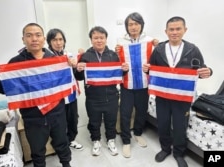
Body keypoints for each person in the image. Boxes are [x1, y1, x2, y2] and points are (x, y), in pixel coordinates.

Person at [0, 23, 72, 167]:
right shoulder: (16, 63)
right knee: (37, 151)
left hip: (57, 112)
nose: (34, 39)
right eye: (29, 35)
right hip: (32, 116)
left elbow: (67, 82)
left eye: (38, 35)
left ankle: (66, 164)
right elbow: (7, 89)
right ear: (23, 39)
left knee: (62, 143)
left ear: (43, 38)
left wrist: (72, 65)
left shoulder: (55, 59)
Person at [143, 16, 212, 167]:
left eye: (178, 29)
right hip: (162, 96)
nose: (174, 32)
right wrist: (147, 70)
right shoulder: (159, 49)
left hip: (183, 97)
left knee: (181, 125)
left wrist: (209, 71)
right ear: (166, 31)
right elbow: (152, 70)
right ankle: (165, 149)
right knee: (163, 124)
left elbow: (202, 69)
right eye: (171, 29)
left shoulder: (193, 50)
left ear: (184, 30)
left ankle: (179, 153)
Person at [75, 26, 129, 156]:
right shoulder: (85, 56)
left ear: (106, 39)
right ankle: (96, 140)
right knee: (94, 121)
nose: (99, 40)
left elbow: (119, 75)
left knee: (111, 121)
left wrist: (125, 69)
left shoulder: (113, 55)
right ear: (91, 39)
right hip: (93, 97)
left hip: (111, 96)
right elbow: (79, 78)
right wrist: (78, 69)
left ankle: (111, 140)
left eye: (101, 38)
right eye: (96, 38)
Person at [115, 12, 158, 158]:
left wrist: (157, 46)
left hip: (144, 84)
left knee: (141, 111)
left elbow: (158, 60)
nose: (133, 27)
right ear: (127, 27)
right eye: (130, 24)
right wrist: (120, 63)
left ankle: (138, 133)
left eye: (136, 24)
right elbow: (117, 62)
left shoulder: (151, 41)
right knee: (125, 113)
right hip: (127, 84)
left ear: (141, 25)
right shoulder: (120, 42)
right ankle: (126, 140)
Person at [46, 28, 83, 151]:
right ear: (49, 42)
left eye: (60, 39)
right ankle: (61, 145)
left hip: (71, 94)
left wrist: (75, 65)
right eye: (54, 40)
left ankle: (71, 139)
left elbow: (76, 74)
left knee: (73, 118)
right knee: (59, 123)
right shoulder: (46, 58)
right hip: (57, 97)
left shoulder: (69, 55)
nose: (58, 42)